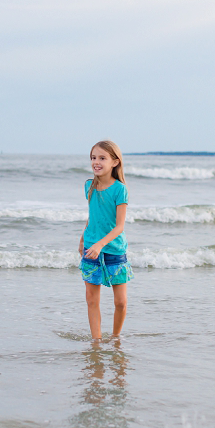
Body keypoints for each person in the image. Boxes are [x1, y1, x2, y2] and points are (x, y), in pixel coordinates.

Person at [79, 140, 133, 341]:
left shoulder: (120, 189)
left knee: (120, 302)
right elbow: (93, 216)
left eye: (102, 158)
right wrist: (83, 238)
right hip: (90, 248)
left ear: (115, 162)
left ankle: (116, 338)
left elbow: (119, 226)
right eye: (93, 158)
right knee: (91, 300)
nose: (96, 162)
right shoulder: (88, 185)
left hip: (114, 250)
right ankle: (97, 342)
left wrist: (100, 243)